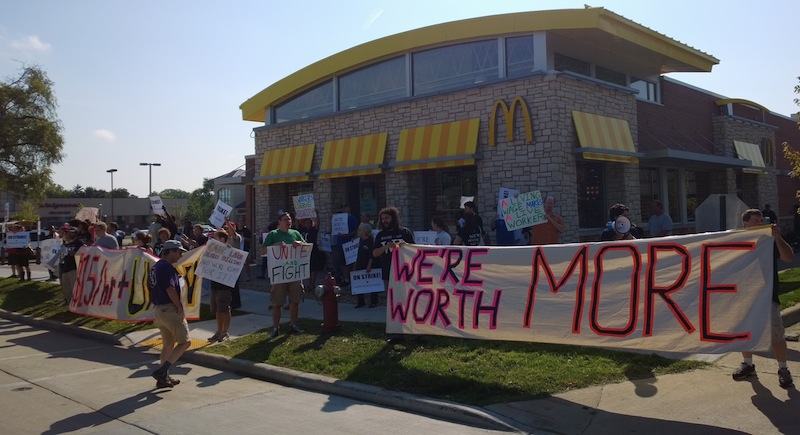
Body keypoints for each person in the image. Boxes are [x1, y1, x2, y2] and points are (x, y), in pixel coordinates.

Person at [732, 209, 794, 388]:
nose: (760, 223)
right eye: (756, 220)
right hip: (744, 295)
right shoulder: (737, 241)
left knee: (776, 335)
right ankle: (748, 364)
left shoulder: (769, 241)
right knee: (745, 333)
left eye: (761, 220)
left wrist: (778, 238)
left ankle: (783, 369)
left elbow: (789, 258)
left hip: (767, 296)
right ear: (746, 224)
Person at [148, 240, 190, 388]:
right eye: (179, 252)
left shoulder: (156, 266)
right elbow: (169, 288)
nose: (181, 255)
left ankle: (163, 378)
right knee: (185, 342)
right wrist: (178, 306)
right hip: (169, 309)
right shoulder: (166, 266)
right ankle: (162, 372)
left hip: (159, 310)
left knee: (168, 345)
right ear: (170, 251)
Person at [372, 207, 415, 343]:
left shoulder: (405, 232)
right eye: (382, 219)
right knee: (393, 304)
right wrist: (386, 247)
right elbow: (374, 253)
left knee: (411, 302)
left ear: (394, 218)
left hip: (406, 273)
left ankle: (417, 332)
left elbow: (415, 251)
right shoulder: (380, 235)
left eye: (387, 218)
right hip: (388, 274)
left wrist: (405, 246)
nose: (384, 221)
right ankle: (397, 334)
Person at [261, 212, 307, 338]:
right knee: (277, 303)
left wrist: (300, 244)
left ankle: (293, 326)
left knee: (295, 301)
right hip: (279, 274)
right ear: (279, 222)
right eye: (285, 219)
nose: (288, 221)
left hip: (294, 273)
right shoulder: (273, 234)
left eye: (290, 219)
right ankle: (276, 328)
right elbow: (263, 250)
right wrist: (275, 246)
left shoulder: (295, 233)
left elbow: (306, 248)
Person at [207, 230, 234, 343]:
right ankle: (219, 330)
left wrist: (228, 249)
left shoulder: (229, 251)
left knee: (224, 308)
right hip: (215, 283)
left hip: (225, 285)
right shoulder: (213, 250)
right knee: (218, 309)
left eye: (216, 237)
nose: (213, 240)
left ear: (222, 239)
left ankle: (225, 331)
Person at [331, 204, 359, 286]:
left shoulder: (353, 219)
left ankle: (352, 279)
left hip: (350, 243)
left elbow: (355, 231)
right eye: (343, 208)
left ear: (349, 209)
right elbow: (334, 229)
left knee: (351, 262)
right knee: (342, 262)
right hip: (340, 243)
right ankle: (346, 279)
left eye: (346, 208)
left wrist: (346, 235)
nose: (345, 209)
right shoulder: (338, 218)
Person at [354, 223, 378, 308]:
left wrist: (369, 265)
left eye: (360, 230)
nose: (358, 231)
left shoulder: (371, 240)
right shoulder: (360, 239)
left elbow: (372, 254)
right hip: (360, 263)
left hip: (369, 264)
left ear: (364, 231)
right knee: (359, 283)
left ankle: (374, 301)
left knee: (372, 283)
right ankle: (361, 302)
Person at [58, 226, 84, 305]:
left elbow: (77, 254)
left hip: (74, 268)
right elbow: (61, 255)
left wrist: (71, 252)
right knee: (66, 289)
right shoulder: (66, 243)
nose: (69, 234)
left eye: (71, 232)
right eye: (68, 232)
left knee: (74, 288)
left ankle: (77, 304)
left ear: (75, 233)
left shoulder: (79, 243)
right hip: (65, 267)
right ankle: (70, 304)